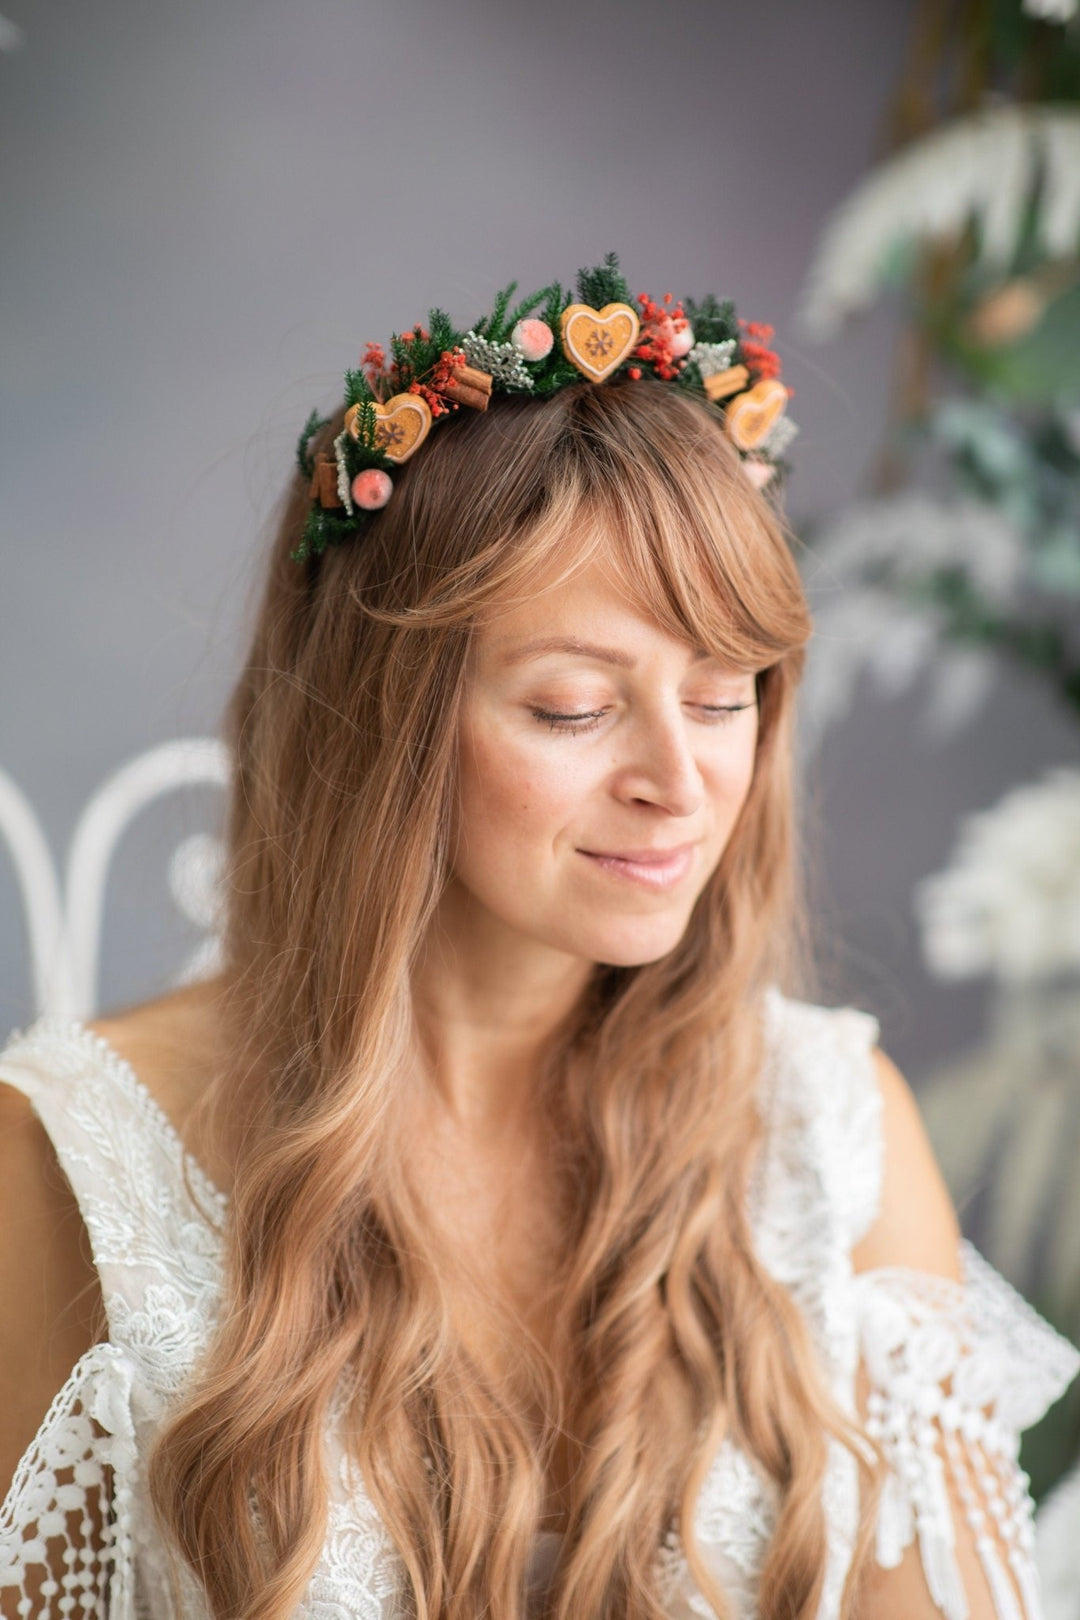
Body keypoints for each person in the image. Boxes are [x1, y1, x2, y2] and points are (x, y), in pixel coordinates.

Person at [1, 257, 1076, 1620]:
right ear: (385, 728)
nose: (678, 784)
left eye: (726, 695)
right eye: (574, 707)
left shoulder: (832, 1131)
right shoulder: (77, 1155)